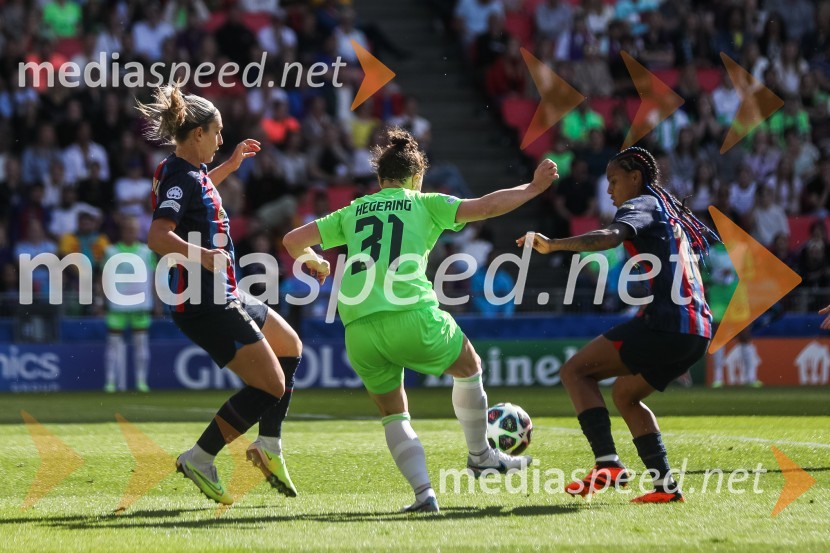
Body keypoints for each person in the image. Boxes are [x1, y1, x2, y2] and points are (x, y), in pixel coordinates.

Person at [283, 128, 557, 513]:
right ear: (416, 177)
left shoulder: (353, 210)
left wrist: (315, 260)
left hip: (358, 327)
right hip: (411, 313)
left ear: (380, 180)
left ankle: (424, 494)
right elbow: (485, 207)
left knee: (393, 411)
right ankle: (480, 456)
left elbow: (293, 239)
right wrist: (532, 187)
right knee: (469, 366)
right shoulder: (423, 202)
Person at [137, 85, 329, 505]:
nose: (222, 140)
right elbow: (157, 235)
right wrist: (203, 255)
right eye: (217, 133)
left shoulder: (189, 173)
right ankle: (200, 457)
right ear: (198, 134)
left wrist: (231, 164)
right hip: (205, 301)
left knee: (290, 347)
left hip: (225, 292)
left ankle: (270, 445)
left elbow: (199, 187)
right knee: (272, 385)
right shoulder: (179, 175)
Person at [517, 146, 719, 503]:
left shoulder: (640, 205)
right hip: (698, 330)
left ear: (635, 177)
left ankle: (607, 462)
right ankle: (665, 486)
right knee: (625, 394)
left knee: (575, 372)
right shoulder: (667, 213)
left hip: (668, 323)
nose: (609, 190)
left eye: (613, 181)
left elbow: (610, 237)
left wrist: (553, 246)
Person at [102, 216, 156, 393]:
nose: (130, 232)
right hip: (117, 305)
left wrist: (157, 302)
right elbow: (103, 277)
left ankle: (141, 382)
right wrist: (102, 300)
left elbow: (154, 277)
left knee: (141, 344)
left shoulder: (147, 251)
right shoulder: (110, 251)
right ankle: (110, 382)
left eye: (133, 229)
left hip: (141, 305)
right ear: (122, 231)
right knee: (113, 344)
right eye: (127, 229)